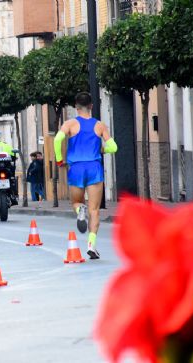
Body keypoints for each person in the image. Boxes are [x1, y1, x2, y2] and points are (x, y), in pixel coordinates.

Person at [54, 92, 118, 260]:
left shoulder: (70, 124)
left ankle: (79, 210)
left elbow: (57, 140)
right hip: (94, 167)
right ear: (91, 106)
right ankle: (91, 244)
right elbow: (113, 147)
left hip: (76, 168)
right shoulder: (100, 125)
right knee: (95, 209)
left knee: (76, 202)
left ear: (76, 107)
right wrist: (102, 149)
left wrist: (60, 159)